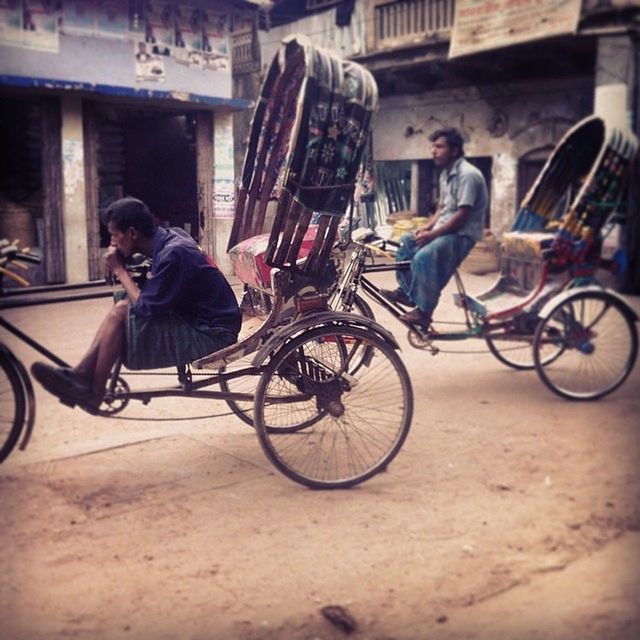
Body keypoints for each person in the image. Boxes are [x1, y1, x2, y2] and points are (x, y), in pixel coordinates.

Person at [31, 197, 241, 411]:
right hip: (199, 318)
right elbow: (147, 276)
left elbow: (146, 308)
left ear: (132, 233)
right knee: (123, 300)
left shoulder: (174, 253)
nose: (112, 243)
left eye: (114, 235)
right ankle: (82, 376)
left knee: (124, 309)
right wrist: (120, 260)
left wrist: (119, 270)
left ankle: (92, 390)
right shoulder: (170, 237)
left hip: (213, 333)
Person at [382, 127, 488, 328]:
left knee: (424, 258)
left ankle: (424, 312)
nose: (433, 151)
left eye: (439, 147)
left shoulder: (468, 175)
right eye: (433, 146)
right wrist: (425, 228)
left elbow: (462, 215)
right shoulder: (445, 174)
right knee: (405, 242)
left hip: (462, 234)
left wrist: (432, 235)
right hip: (445, 230)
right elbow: (442, 208)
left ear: (454, 150)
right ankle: (407, 293)